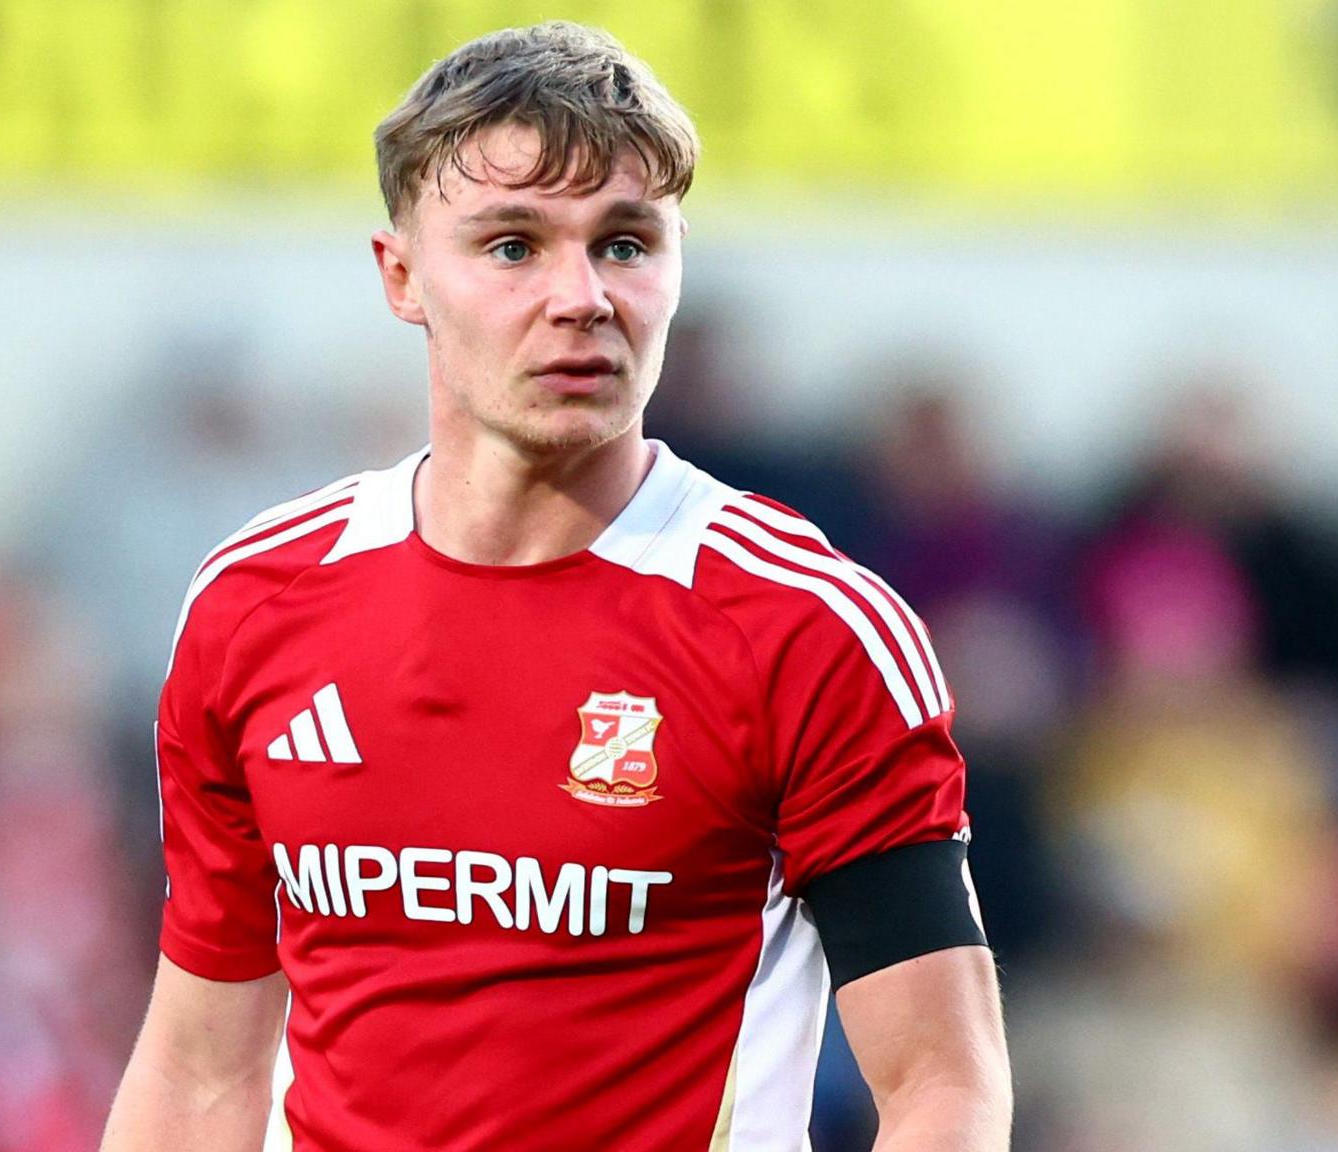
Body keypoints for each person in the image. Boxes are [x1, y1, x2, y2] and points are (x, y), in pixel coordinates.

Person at [102, 22, 1009, 1152]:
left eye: (624, 243)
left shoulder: (806, 628)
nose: (580, 296)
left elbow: (942, 1085)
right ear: (400, 276)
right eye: (513, 246)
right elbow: (197, 1072)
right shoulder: (254, 602)